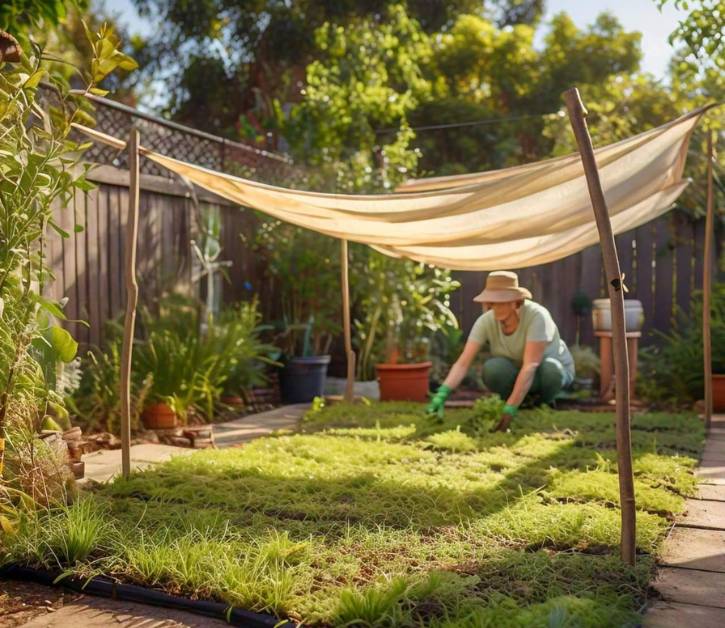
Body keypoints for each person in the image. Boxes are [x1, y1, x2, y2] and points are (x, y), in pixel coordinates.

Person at [427, 271, 575, 431]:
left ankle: (543, 402)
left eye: (500, 301)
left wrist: (510, 410)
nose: (493, 307)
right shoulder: (486, 321)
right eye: (491, 302)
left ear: (515, 302)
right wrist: (442, 393)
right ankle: (520, 400)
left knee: (551, 370)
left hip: (545, 372)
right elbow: (463, 363)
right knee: (493, 369)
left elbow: (530, 366)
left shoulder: (537, 316)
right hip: (517, 372)